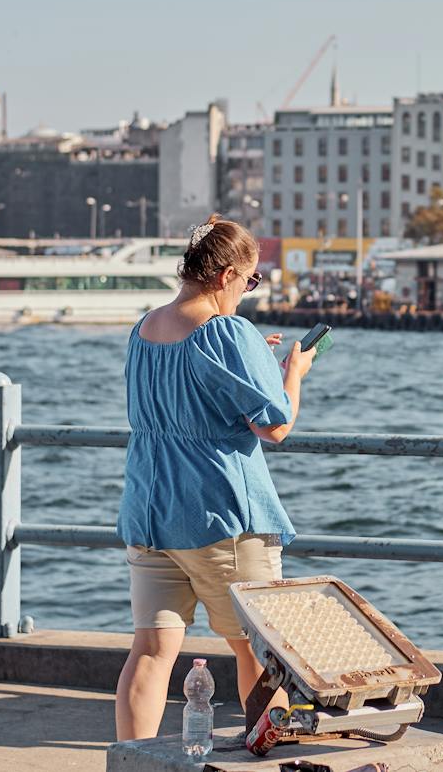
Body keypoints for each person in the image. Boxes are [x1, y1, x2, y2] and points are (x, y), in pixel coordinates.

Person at [113, 215, 318, 741]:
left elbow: (189, 397)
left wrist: (254, 361)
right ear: (226, 274)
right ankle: (266, 753)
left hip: (150, 512)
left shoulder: (144, 328)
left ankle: (134, 758)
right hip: (220, 516)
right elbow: (275, 426)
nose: (247, 294)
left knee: (153, 648)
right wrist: (292, 372)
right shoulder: (228, 332)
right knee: (258, 648)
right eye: (249, 282)